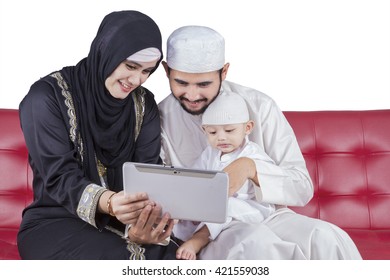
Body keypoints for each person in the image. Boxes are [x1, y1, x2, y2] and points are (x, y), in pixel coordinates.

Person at [159, 25, 362, 259]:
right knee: (258, 244)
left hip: (269, 214)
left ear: (224, 72)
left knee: (326, 237)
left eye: (204, 84)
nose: (192, 95)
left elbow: (302, 187)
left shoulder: (260, 106)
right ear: (166, 71)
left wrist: (250, 168)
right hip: (213, 226)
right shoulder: (160, 120)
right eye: (181, 83)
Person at [17, 10, 179, 260]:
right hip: (56, 222)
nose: (136, 80)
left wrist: (143, 226)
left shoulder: (143, 105)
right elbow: (59, 176)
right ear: (106, 51)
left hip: (126, 224)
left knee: (176, 258)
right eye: (131, 66)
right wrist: (110, 202)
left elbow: (148, 172)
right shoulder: (46, 98)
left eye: (147, 71)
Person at [175, 93, 276, 260]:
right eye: (213, 132)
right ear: (204, 130)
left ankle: (198, 239)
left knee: (226, 205)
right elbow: (194, 177)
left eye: (229, 130)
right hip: (212, 205)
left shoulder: (253, 154)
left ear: (248, 128)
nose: (221, 137)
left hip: (249, 208)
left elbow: (271, 181)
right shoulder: (210, 153)